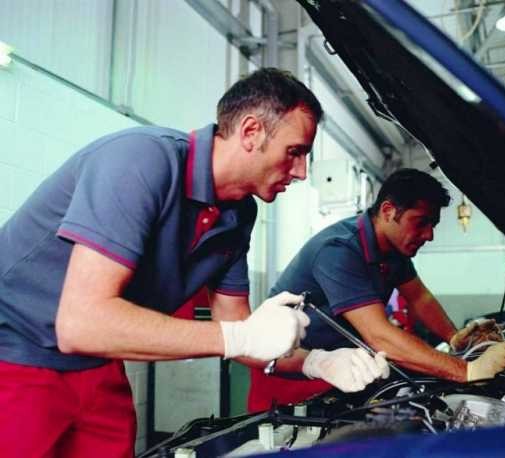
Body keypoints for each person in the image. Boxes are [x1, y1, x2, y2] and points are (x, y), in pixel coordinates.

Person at [0, 68, 387, 457]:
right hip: (15, 352)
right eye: (295, 152)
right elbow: (81, 324)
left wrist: (319, 362)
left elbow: (239, 330)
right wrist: (238, 337)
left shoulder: (239, 214)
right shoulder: (141, 160)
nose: (302, 172)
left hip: (97, 362)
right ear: (251, 132)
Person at [247, 168, 505, 412]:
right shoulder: (338, 250)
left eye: (433, 225)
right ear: (388, 211)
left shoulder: (393, 251)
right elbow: (379, 336)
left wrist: (454, 336)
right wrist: (466, 370)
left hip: (343, 371)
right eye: (421, 222)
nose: (429, 235)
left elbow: (419, 298)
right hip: (292, 377)